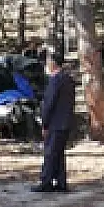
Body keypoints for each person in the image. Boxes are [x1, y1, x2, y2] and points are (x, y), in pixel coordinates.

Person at [32, 52, 75, 193]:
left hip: (55, 123)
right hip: (66, 121)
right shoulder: (68, 79)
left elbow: (48, 104)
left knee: (50, 153)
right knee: (59, 153)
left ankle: (46, 182)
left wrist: (44, 123)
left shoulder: (55, 80)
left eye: (48, 61)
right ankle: (61, 182)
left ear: (52, 63)